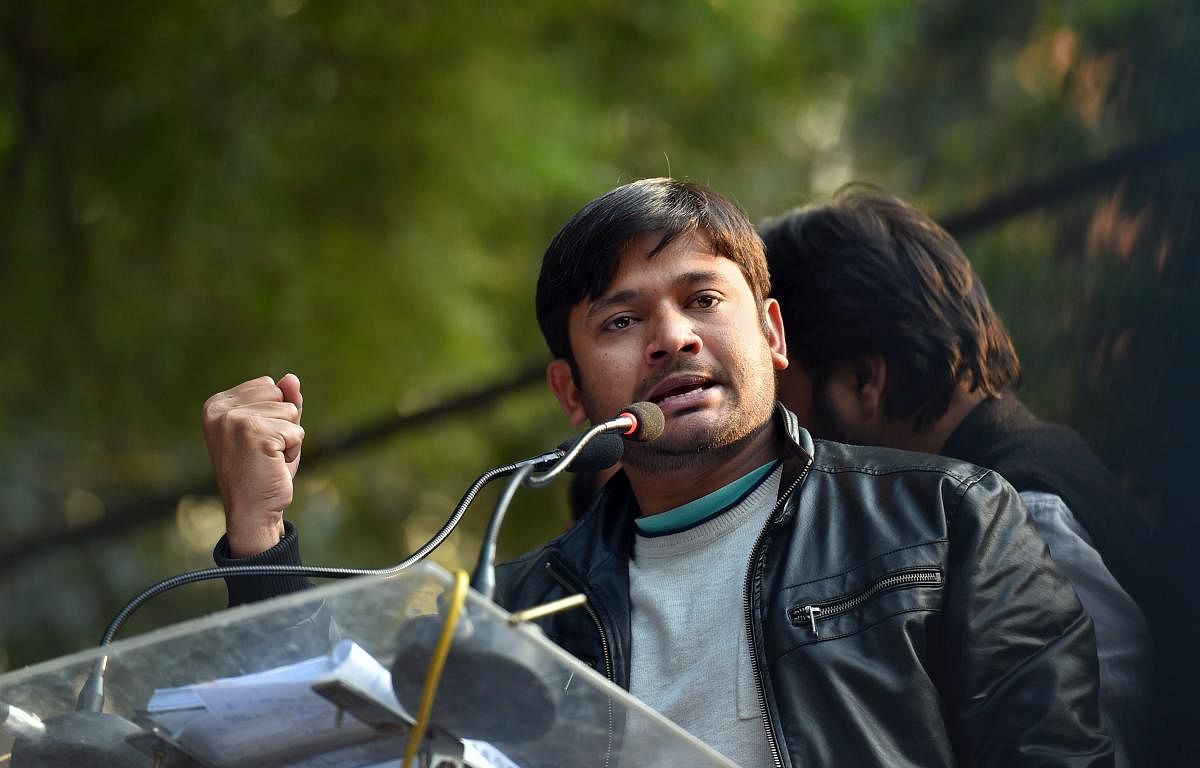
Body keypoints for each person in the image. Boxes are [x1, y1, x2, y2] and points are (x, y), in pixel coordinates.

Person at [203, 178, 1112, 767]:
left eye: (704, 300)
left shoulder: (951, 518)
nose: (673, 336)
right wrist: (258, 534)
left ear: (772, 334)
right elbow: (319, 748)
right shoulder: (507, 619)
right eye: (621, 322)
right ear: (571, 390)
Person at [758, 185, 1150, 767]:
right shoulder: (993, 489)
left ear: (863, 381)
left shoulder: (1028, 511)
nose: (780, 437)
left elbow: (1109, 745)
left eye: (783, 401)